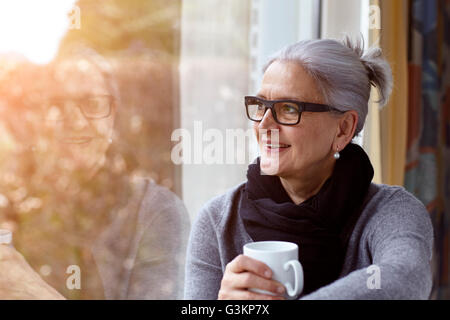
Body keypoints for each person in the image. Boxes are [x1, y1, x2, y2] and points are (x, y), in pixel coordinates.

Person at [184, 37, 434, 300]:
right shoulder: (218, 221)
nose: (265, 124)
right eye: (261, 106)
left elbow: (403, 278)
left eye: (289, 108)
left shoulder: (389, 212)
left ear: (343, 129)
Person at [0, 47, 190, 299]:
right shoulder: (22, 208)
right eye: (58, 105)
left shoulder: (157, 212)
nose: (76, 121)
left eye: (92, 104)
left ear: (114, 116)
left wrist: (30, 290)